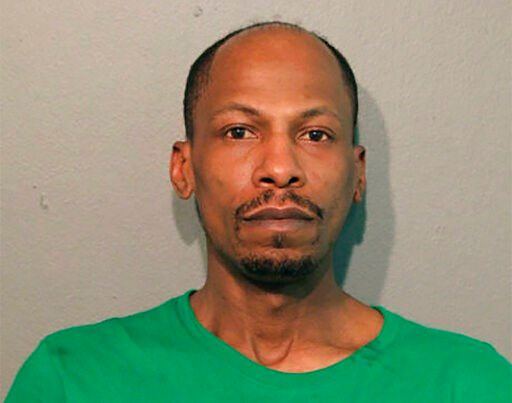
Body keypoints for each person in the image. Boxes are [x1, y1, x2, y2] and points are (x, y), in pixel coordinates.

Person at [6, 21, 511, 402]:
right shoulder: (72, 379)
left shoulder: (469, 384)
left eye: (315, 134)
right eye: (239, 132)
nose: (280, 168)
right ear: (184, 168)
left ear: (358, 173)